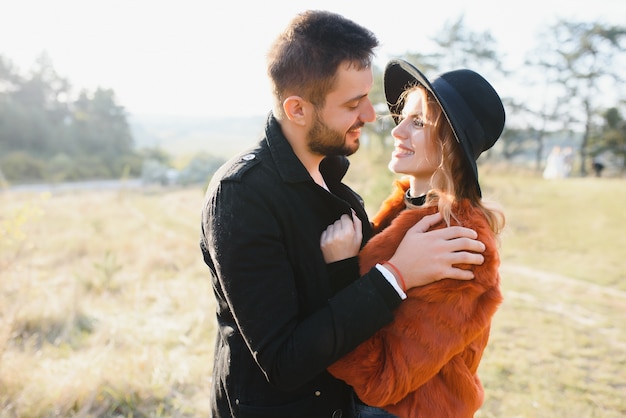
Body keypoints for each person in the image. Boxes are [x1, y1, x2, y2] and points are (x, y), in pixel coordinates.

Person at [200, 12, 486, 418]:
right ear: (297, 110)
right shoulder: (242, 197)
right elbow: (283, 362)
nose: (372, 117)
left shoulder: (341, 193)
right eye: (353, 103)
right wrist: (395, 276)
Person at [323, 59, 506, 418]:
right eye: (403, 117)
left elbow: (382, 380)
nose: (397, 130)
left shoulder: (461, 241)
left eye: (419, 122)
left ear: (451, 144)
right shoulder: (406, 209)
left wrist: (340, 272)